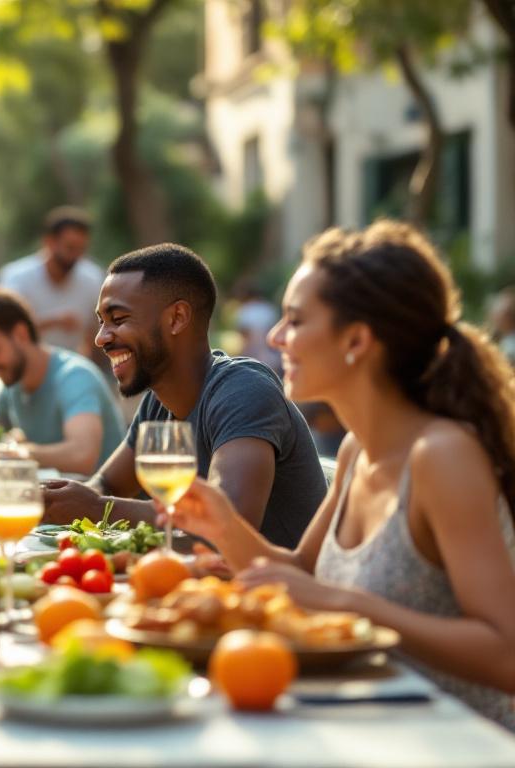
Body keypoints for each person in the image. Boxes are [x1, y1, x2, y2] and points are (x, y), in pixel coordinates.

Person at [162, 221, 515, 729]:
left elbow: (505, 654)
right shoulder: (357, 451)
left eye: (295, 320)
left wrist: (348, 604)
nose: (275, 337)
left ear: (357, 340)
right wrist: (223, 526)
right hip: (362, 725)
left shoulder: (441, 456)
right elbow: (302, 575)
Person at [43, 243, 325, 549]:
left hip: (274, 593)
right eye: (101, 322)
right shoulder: (158, 401)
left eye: (119, 319)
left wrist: (98, 509)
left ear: (177, 318)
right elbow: (108, 484)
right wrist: (63, 498)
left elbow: (226, 525)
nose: (101, 338)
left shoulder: (243, 390)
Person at [0, 286, 124, 475]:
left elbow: (81, 456)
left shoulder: (74, 377)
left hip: (108, 502)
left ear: (21, 334)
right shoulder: (12, 382)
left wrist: (15, 452)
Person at [0, 206, 105, 360]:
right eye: (70, 247)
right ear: (49, 242)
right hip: (23, 366)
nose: (76, 256)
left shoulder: (93, 277)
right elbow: (4, 330)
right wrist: (54, 321)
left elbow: (96, 330)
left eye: (81, 249)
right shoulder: (15, 277)